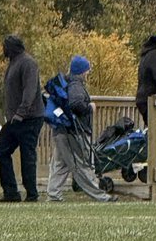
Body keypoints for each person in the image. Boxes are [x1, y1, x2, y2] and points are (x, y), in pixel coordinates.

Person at [46, 55, 116, 204]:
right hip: (73, 133)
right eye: (87, 70)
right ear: (82, 71)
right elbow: (76, 104)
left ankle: (53, 195)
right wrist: (89, 107)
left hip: (60, 131)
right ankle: (101, 196)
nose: (88, 73)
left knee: (60, 164)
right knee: (82, 165)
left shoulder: (66, 84)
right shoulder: (76, 86)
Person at [0, 35, 44, 203]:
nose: (3, 50)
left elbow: (29, 91)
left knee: (27, 155)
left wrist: (21, 113)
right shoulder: (14, 63)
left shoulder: (28, 63)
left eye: (5, 46)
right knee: (2, 151)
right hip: (15, 119)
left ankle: (31, 194)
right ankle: (11, 192)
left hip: (29, 118)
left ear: (11, 48)